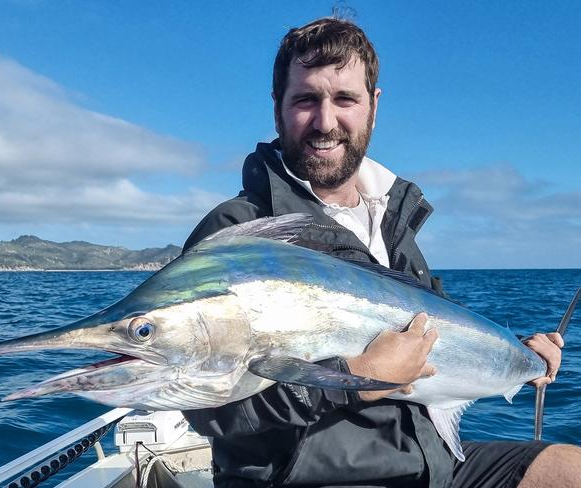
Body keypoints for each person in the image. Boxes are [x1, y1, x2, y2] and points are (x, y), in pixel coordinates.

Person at [182, 17, 580, 488]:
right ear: (278, 109)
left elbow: (440, 342)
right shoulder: (240, 233)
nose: (325, 121)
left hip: (431, 464)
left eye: (344, 99)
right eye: (306, 99)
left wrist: (523, 358)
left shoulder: (394, 224)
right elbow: (204, 404)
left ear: (374, 105)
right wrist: (354, 378)